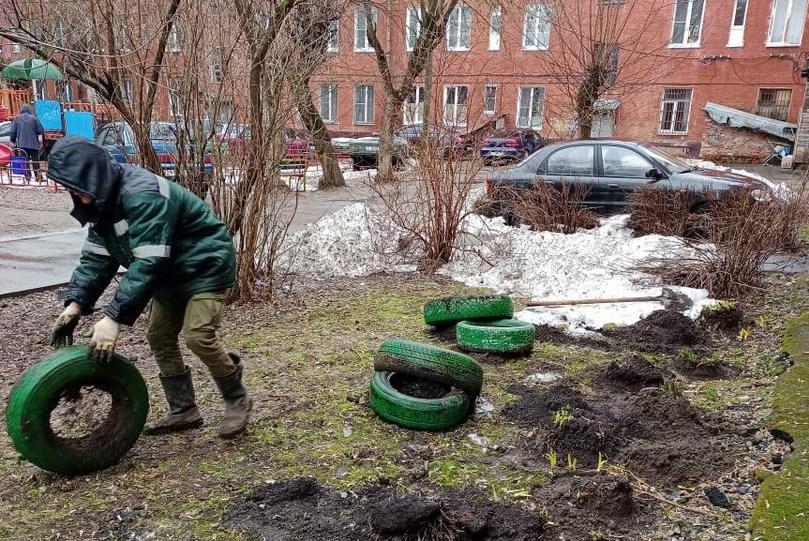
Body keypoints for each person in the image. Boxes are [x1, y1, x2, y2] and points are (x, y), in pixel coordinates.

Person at [46, 136, 251, 439]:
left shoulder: (143, 195)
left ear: (92, 175)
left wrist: (113, 317)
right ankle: (184, 410)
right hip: (169, 273)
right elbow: (97, 258)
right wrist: (75, 303)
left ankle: (236, 397)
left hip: (204, 266)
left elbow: (149, 261)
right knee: (159, 335)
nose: (72, 193)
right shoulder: (104, 202)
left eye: (75, 185)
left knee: (198, 335)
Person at [10, 104, 44, 181]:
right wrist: (40, 141)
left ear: (22, 110)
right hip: (34, 144)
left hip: (22, 145)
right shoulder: (34, 118)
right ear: (29, 110)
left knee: (25, 161)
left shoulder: (16, 119)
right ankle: (38, 177)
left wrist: (13, 141)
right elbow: (40, 130)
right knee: (35, 161)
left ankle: (27, 176)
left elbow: (12, 132)